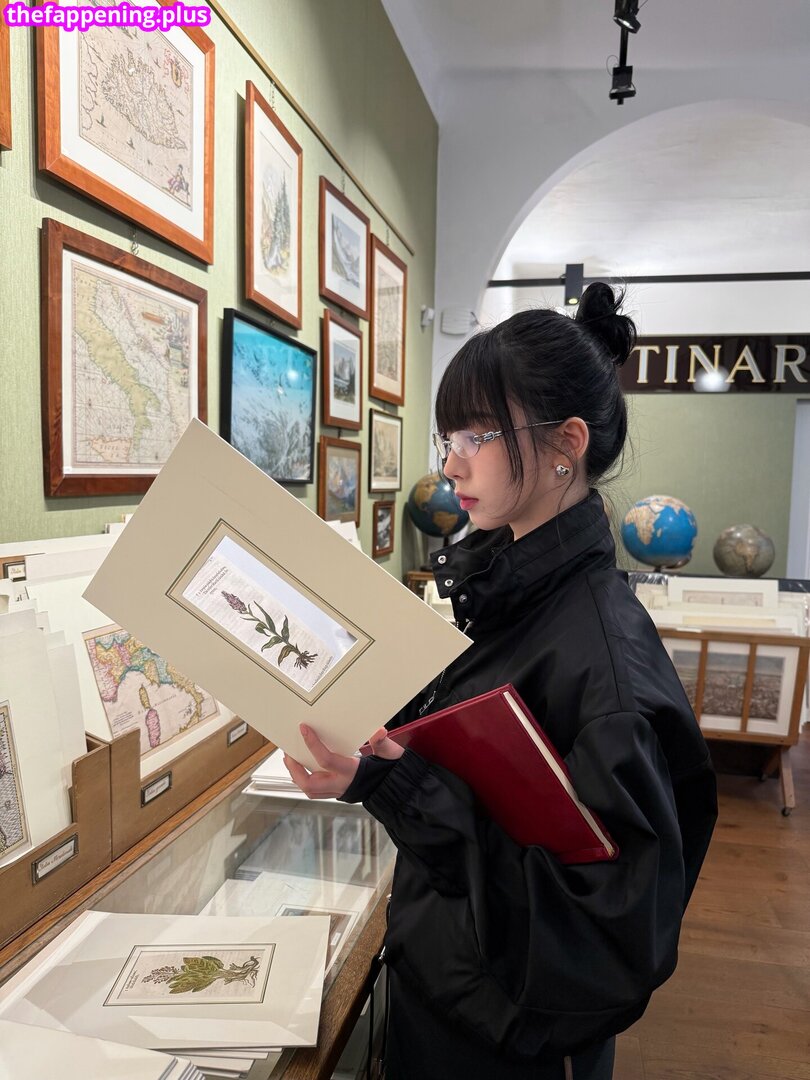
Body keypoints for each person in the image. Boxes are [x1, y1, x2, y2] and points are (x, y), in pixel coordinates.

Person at [284, 283, 718, 1080]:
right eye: (447, 438)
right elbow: (489, 808)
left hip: (504, 1045)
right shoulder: (514, 594)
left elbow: (607, 942)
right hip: (449, 998)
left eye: (476, 436)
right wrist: (376, 771)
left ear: (566, 445)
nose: (451, 465)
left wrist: (401, 791)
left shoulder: (605, 666)